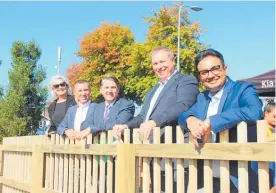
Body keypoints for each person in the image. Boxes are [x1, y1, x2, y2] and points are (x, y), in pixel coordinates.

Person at [178, 48, 262, 192]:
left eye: (215, 69)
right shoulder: (202, 97)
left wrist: (213, 121)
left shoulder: (242, 89)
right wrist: (190, 120)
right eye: (204, 72)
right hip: (209, 177)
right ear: (200, 76)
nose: (210, 75)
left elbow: (254, 111)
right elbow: (183, 115)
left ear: (225, 69)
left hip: (239, 177)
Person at [112, 46, 199, 141]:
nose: (159, 67)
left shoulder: (185, 80)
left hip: (174, 143)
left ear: (173, 60)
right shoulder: (152, 91)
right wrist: (125, 126)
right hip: (150, 145)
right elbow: (142, 117)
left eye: (162, 62)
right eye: (155, 64)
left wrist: (154, 122)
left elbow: (183, 106)